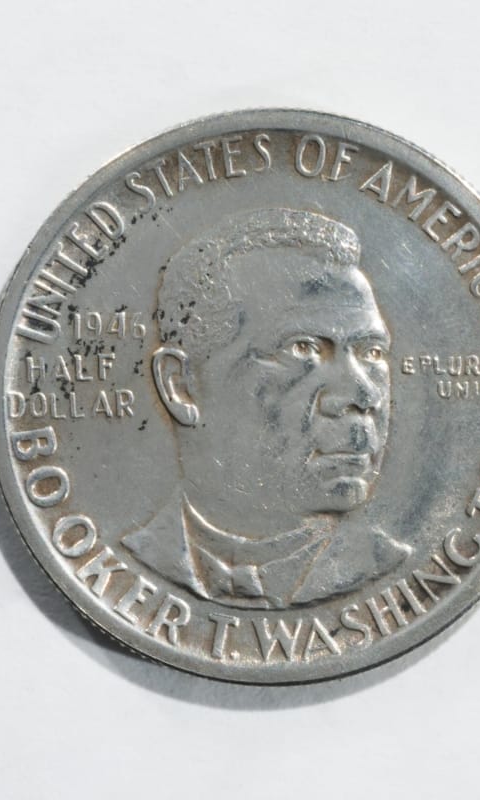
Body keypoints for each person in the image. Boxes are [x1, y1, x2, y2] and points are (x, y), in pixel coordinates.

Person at [122, 208, 410, 608]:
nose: (362, 396)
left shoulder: (387, 568)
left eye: (372, 353)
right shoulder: (136, 559)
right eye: (303, 348)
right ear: (181, 386)